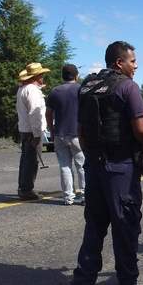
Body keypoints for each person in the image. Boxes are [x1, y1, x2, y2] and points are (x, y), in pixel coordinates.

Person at [70, 41, 143, 285]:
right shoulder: (127, 86)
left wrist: (94, 155)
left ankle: (82, 284)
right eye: (132, 61)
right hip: (120, 168)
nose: (135, 65)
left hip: (94, 167)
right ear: (119, 62)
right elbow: (141, 129)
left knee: (94, 225)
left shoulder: (88, 86)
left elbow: (82, 132)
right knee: (125, 225)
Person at [46, 64, 86, 205]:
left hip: (60, 134)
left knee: (65, 166)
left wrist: (51, 130)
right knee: (81, 165)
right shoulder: (81, 90)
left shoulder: (54, 92)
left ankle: (68, 197)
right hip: (78, 133)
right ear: (76, 76)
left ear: (62, 76)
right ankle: (83, 195)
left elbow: (48, 113)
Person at [16, 62, 50, 200]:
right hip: (32, 131)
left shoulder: (23, 89)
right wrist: (37, 134)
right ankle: (26, 190)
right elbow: (35, 114)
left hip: (25, 129)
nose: (43, 77)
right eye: (41, 75)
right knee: (31, 161)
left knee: (25, 159)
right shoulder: (32, 90)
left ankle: (23, 187)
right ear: (37, 76)